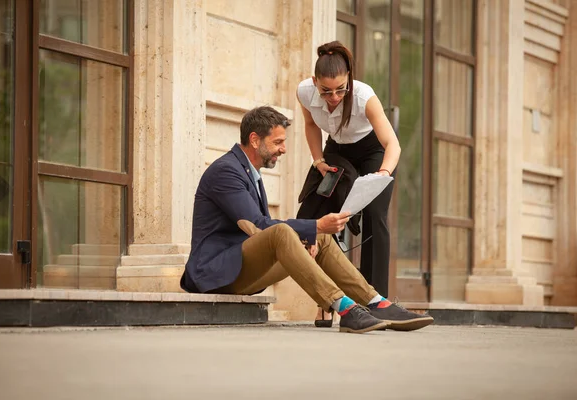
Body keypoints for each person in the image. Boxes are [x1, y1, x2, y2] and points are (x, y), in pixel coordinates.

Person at [180, 106, 432, 333]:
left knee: (319, 237)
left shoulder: (248, 171)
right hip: (215, 272)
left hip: (239, 266)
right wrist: (314, 225)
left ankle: (377, 303)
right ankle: (344, 307)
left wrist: (310, 234)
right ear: (255, 140)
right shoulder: (226, 170)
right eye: (278, 142)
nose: (284, 149)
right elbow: (258, 227)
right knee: (297, 231)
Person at [296, 41, 401, 327]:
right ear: (315, 82)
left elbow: (392, 143)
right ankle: (327, 302)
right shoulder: (305, 91)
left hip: (373, 152)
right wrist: (317, 160)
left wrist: (383, 173)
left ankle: (376, 300)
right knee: (319, 208)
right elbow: (309, 124)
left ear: (350, 79)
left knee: (375, 214)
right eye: (326, 91)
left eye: (341, 89)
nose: (333, 97)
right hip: (336, 151)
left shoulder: (364, 97)